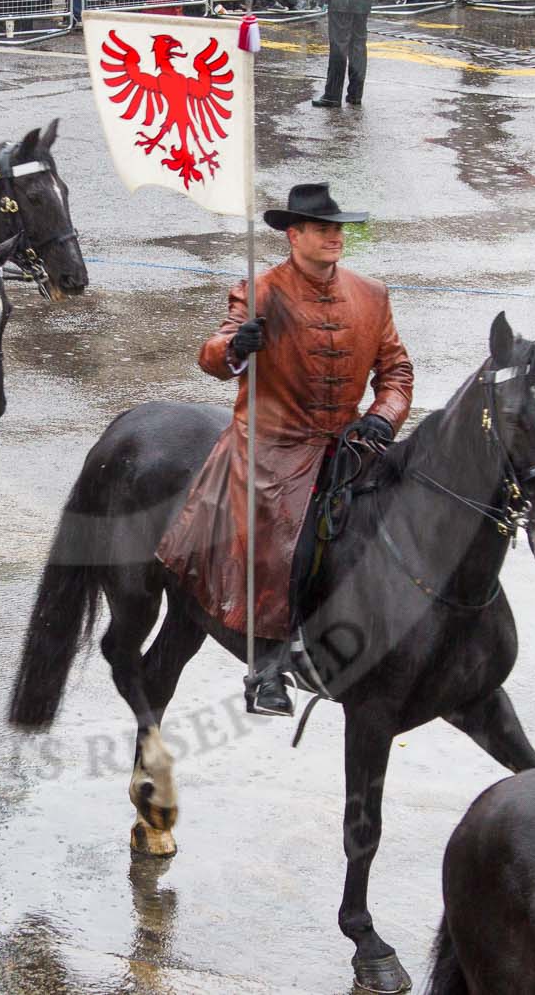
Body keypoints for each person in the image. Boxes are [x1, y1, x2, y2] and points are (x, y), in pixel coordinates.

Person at [155, 182, 413, 717]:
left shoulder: (372, 294)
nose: (335, 238)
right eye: (323, 229)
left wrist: (381, 420)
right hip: (273, 447)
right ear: (294, 235)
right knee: (277, 537)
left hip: (349, 443)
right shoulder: (260, 291)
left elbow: (397, 374)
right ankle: (269, 665)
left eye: (339, 229)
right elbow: (211, 356)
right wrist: (234, 347)